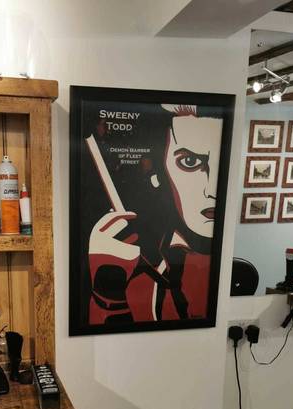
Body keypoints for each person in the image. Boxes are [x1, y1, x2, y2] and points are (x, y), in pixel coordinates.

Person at [88, 103, 224, 325]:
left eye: (219, 163)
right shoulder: (138, 257)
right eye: (190, 162)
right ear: (157, 176)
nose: (212, 191)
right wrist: (107, 290)